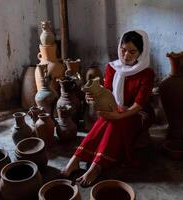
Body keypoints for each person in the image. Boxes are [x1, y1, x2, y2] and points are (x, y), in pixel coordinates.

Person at [61, 30, 155, 187]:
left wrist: (118, 115)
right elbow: (106, 93)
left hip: (139, 112)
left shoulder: (146, 73)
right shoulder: (112, 67)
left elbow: (139, 104)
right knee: (109, 119)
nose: (125, 56)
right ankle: (76, 158)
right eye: (123, 50)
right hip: (116, 108)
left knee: (115, 121)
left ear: (141, 53)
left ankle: (97, 165)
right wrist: (91, 97)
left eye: (132, 52)